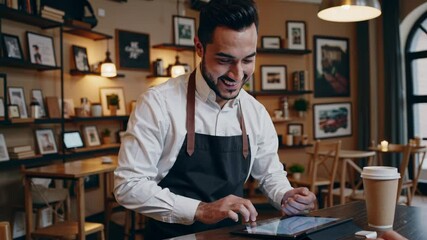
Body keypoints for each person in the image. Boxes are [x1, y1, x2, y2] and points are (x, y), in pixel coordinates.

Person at [114, 0, 316, 239]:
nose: (237, 74)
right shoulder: (158, 103)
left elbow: (270, 174)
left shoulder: (255, 112)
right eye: (224, 60)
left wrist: (286, 195)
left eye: (248, 60)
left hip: (235, 235)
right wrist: (200, 209)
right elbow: (129, 185)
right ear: (199, 48)